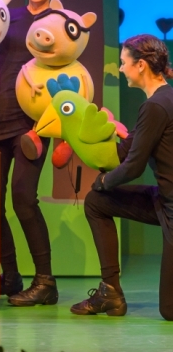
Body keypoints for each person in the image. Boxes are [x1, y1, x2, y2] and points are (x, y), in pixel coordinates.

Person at [0, 0, 64, 306]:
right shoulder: (5, 17)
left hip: (32, 125)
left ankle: (45, 282)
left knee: (24, 199)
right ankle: (10, 276)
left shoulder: (60, 24)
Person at [71, 34, 173, 320]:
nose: (120, 68)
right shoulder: (159, 101)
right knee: (96, 202)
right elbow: (124, 152)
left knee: (169, 310)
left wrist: (104, 182)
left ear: (141, 65)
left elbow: (133, 166)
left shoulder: (156, 106)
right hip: (164, 201)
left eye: (124, 62)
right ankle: (110, 292)